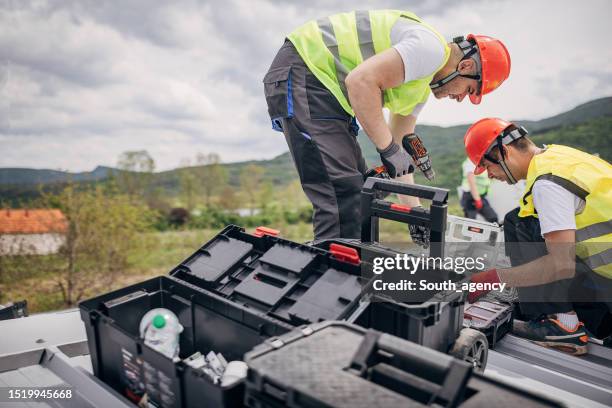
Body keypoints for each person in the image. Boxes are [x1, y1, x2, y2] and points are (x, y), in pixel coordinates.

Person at [263, 10, 510, 241]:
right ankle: (334, 281)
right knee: (345, 192)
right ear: (465, 66)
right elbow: (360, 81)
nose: (460, 98)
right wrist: (388, 149)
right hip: (307, 68)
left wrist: (416, 213)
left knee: (362, 191)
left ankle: (350, 273)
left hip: (323, 89)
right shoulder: (430, 49)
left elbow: (400, 156)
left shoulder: (419, 88)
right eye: (468, 90)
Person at [464, 118, 612, 355]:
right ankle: (546, 311)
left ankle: (562, 324)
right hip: (603, 286)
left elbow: (561, 265)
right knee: (521, 217)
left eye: (487, 166)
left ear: (504, 151)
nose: (489, 175)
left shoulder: (548, 184)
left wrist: (492, 278)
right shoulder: (559, 156)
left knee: (519, 221)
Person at [459, 158, 499, 223]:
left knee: (493, 218)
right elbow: (471, 182)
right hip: (470, 196)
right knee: (470, 222)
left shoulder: (481, 161)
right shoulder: (470, 162)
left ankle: (493, 233)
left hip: (481, 196)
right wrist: (477, 199)